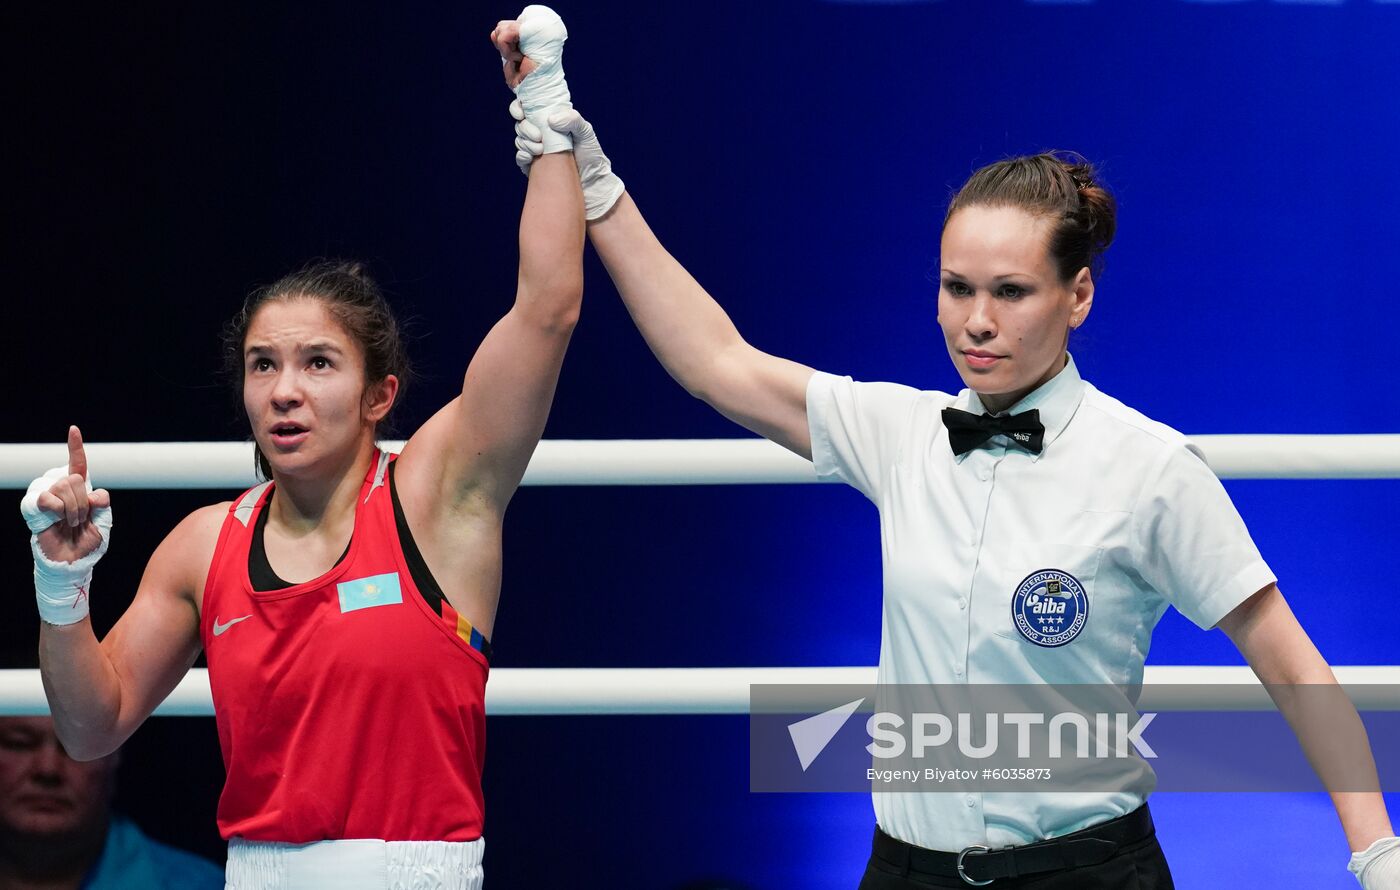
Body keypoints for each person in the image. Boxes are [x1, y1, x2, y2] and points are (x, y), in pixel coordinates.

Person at [497, 19, 1400, 888]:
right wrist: (593, 178)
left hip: (1087, 874)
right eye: (956, 287)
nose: (976, 320)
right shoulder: (901, 432)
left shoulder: (1150, 468)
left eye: (1011, 291)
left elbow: (1289, 662)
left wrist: (1376, 852)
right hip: (906, 873)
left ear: (1077, 295)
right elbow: (715, 362)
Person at [18, 8, 584, 888]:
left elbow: (546, 308)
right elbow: (92, 728)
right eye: (263, 365)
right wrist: (62, 584)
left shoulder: (439, 494)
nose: (284, 389)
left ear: (378, 397)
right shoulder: (207, 545)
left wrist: (544, 103)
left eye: (318, 363)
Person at [0, 714, 223, 890]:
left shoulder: (208, 886)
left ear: (116, 755)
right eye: (19, 743)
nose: (48, 768)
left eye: (77, 746)